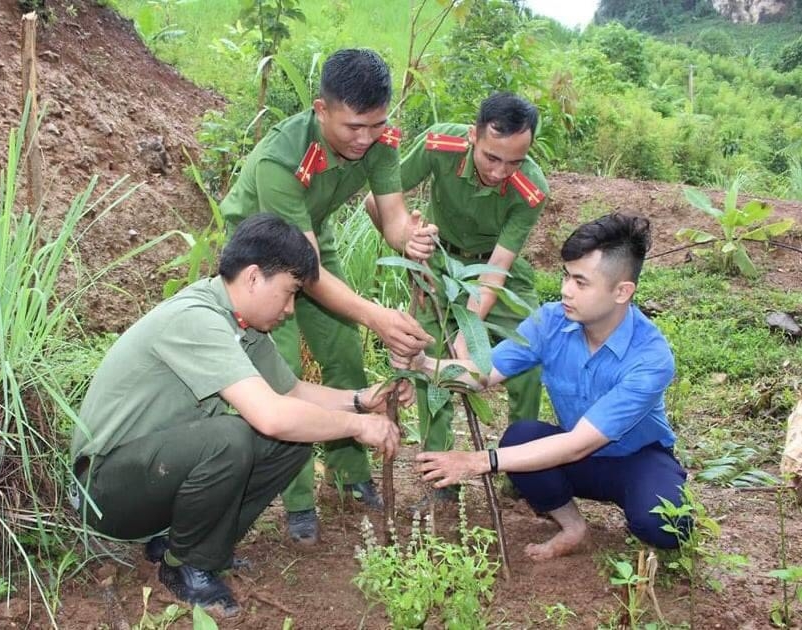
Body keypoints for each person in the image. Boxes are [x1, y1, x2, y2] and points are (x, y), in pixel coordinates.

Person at [71, 214, 411, 616]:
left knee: (293, 442)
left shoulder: (243, 326)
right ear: (253, 278)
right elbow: (271, 415)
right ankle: (187, 568)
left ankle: (191, 544)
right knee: (232, 437)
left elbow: (294, 394)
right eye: (288, 293)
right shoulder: (197, 318)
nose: (289, 309)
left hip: (152, 478)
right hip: (105, 492)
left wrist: (361, 400)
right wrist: (358, 426)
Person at [220, 48, 437, 544]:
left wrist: (412, 239)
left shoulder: (379, 141)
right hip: (261, 259)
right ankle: (297, 500)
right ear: (321, 110)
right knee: (282, 375)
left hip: (313, 239)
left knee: (344, 358)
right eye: (352, 127)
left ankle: (347, 470)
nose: (365, 139)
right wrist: (375, 315)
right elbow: (304, 270)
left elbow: (395, 218)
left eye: (376, 125)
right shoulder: (282, 158)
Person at [392, 213, 690, 560]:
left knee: (664, 525)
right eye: (566, 276)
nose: (565, 290)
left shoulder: (650, 357)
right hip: (578, 459)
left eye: (581, 282)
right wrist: (425, 364)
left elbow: (578, 444)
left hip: (637, 458)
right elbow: (483, 375)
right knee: (520, 439)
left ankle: (645, 507)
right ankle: (573, 526)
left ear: (622, 291)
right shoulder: (551, 321)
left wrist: (477, 461)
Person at [367, 92, 548, 507]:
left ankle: (520, 473)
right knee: (427, 367)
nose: (501, 171)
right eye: (491, 158)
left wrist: (467, 332)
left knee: (528, 359)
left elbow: (498, 269)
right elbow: (376, 198)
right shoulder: (438, 145)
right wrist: (408, 247)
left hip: (499, 277)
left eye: (515, 161)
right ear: (472, 136)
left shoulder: (531, 188)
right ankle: (440, 482)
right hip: (440, 264)